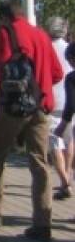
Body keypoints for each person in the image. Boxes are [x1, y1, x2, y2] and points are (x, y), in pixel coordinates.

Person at [0, 0, 64, 242]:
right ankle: (42, 222)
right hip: (42, 105)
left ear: (4, 17)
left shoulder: (8, 32)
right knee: (39, 162)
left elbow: (2, 69)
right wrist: (39, 86)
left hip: (16, 107)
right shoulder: (41, 35)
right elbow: (56, 72)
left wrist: (6, 99)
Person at [47, 17, 73, 200]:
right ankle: (69, 177)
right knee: (70, 139)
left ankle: (64, 180)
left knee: (54, 141)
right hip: (70, 103)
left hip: (52, 100)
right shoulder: (69, 47)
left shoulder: (46, 48)